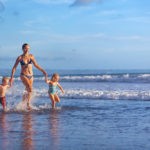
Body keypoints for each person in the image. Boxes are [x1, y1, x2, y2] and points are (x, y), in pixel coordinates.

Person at [10, 43, 47, 110]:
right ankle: (28, 104)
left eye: (28, 48)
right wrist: (12, 77)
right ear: (22, 49)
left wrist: (43, 71)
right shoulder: (20, 58)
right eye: (25, 48)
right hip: (23, 75)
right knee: (30, 88)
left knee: (27, 90)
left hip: (31, 75)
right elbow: (14, 68)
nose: (27, 50)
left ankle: (22, 104)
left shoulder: (31, 56)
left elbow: (36, 65)